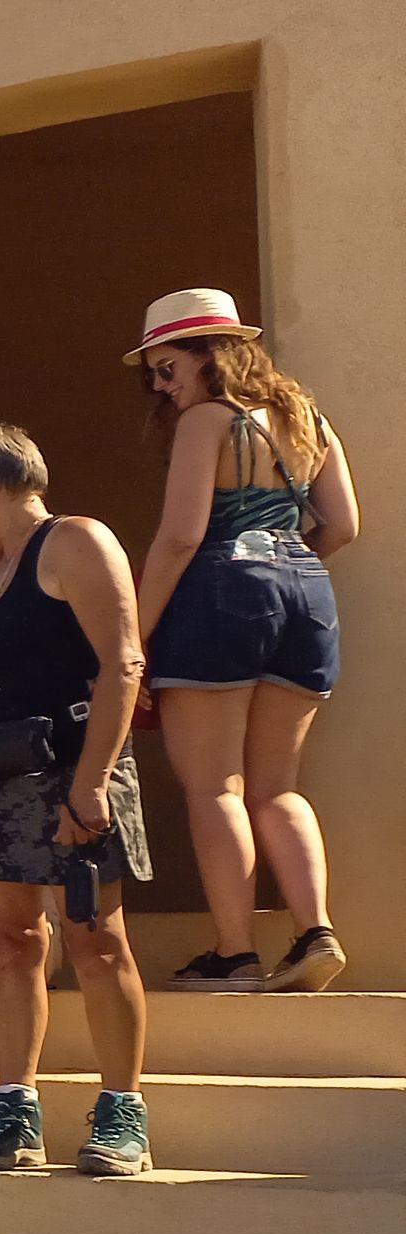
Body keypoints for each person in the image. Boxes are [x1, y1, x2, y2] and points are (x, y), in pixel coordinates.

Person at [0, 425, 156, 1176]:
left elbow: (123, 663)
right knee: (15, 942)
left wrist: (91, 783)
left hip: (73, 768)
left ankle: (122, 1113)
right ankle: (14, 1113)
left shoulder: (75, 542)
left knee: (96, 940)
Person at [129, 289, 366, 992]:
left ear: (211, 356)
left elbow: (180, 537)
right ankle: (315, 933)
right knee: (277, 787)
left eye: (167, 368)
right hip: (306, 593)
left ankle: (234, 953)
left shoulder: (208, 421)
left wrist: (131, 638)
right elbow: (343, 526)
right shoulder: (307, 418)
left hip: (219, 593)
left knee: (215, 788)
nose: (161, 386)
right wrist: (283, 563)